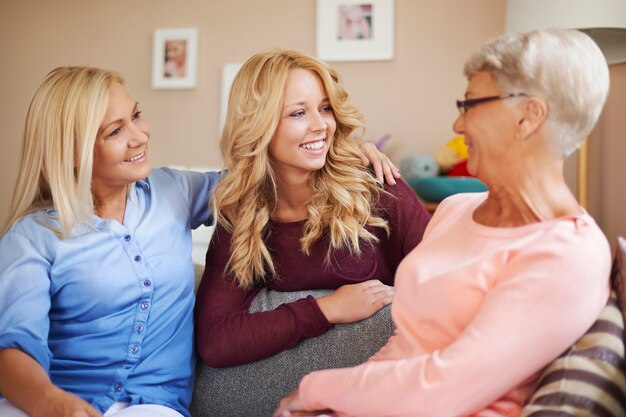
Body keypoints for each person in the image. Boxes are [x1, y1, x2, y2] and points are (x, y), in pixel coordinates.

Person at [0, 66, 398, 417]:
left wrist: (340, 154)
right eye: (116, 130)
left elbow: (267, 172)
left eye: (137, 115)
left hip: (154, 406)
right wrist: (51, 404)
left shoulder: (172, 191)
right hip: (46, 403)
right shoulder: (33, 238)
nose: (140, 136)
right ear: (71, 151)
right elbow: (13, 348)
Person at [274, 28, 612, 417]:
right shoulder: (455, 209)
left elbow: (443, 388)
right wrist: (331, 408)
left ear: (528, 116)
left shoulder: (568, 253)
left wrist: (317, 390)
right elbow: (407, 345)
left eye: (469, 105)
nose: (457, 126)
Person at [194, 49, 431, 368]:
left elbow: (447, 289)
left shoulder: (378, 187)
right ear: (259, 125)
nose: (321, 126)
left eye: (325, 108)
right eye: (298, 113)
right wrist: (326, 309)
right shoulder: (242, 216)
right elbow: (216, 342)